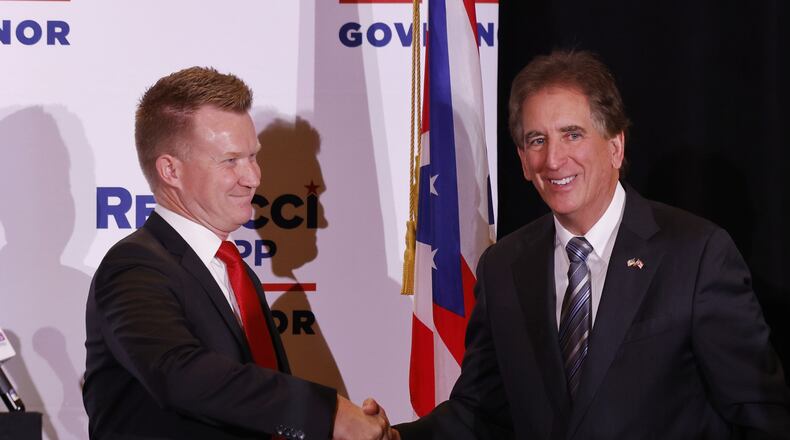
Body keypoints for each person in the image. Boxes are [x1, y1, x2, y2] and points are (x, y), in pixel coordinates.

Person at [393, 50, 790, 439]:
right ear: (522, 161)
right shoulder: (503, 267)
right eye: (536, 140)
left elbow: (760, 414)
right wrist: (391, 438)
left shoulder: (697, 254)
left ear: (616, 146)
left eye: (572, 135)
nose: (553, 159)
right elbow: (479, 413)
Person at [83, 67, 391, 440]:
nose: (253, 177)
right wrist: (329, 415)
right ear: (170, 170)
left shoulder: (236, 272)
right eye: (230, 161)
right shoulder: (134, 266)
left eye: (252, 156)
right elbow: (179, 373)